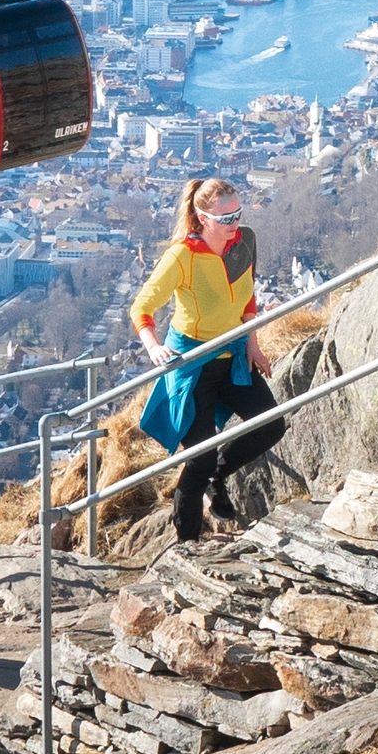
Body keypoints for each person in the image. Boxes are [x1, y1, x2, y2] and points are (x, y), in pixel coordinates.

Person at [134, 176, 279, 541]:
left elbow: (246, 299)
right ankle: (187, 544)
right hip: (193, 363)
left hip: (231, 355)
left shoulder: (242, 243)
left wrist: (253, 345)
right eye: (225, 218)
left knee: (270, 425)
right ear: (201, 218)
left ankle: (219, 475)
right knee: (198, 456)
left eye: (238, 215)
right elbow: (142, 307)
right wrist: (153, 346)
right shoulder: (182, 256)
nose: (234, 225)